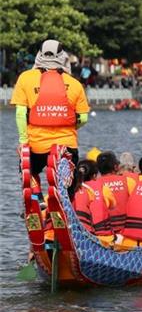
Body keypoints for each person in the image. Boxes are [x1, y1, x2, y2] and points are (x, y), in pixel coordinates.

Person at [11, 40, 90, 196]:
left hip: (36, 145)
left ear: (39, 56)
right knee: (68, 182)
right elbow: (83, 117)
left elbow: (20, 113)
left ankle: (37, 196)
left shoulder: (25, 78)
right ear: (62, 57)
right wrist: (67, 123)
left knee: (28, 169)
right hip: (66, 147)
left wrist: (23, 141)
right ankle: (63, 198)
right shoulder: (75, 84)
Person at [71, 159, 116, 246]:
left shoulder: (71, 189)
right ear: (94, 175)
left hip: (75, 236)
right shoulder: (97, 189)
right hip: (102, 238)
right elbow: (113, 205)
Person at [96, 151, 134, 235]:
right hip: (126, 233)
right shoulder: (128, 181)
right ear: (116, 167)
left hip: (105, 232)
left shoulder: (94, 185)